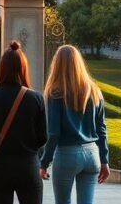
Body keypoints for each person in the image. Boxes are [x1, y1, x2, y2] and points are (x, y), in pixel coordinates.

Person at [41, 45, 109, 204]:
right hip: (92, 153)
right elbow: (102, 129)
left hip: (67, 154)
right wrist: (104, 160)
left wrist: (44, 162)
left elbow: (54, 133)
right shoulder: (94, 90)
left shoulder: (56, 93)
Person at [0, 41, 47, 204]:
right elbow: (43, 137)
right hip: (28, 164)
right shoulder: (35, 98)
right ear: (23, 69)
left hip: (1, 166)